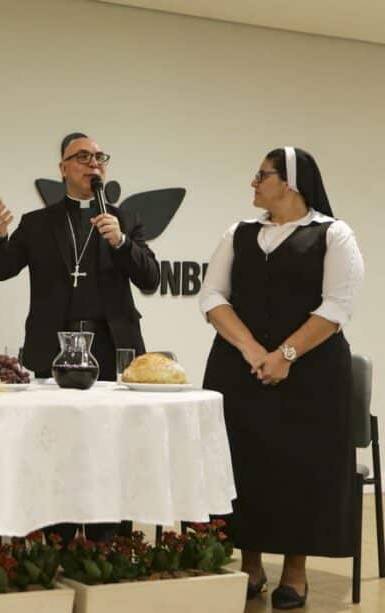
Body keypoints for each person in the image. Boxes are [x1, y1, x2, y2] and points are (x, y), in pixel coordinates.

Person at [199, 147, 364, 610]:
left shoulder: (334, 234)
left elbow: (337, 306)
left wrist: (286, 354)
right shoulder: (239, 233)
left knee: (301, 467)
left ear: (290, 182)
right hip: (240, 366)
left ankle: (295, 571)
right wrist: (254, 350)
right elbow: (212, 294)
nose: (253, 182)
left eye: (262, 175)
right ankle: (249, 565)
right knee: (243, 461)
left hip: (311, 372)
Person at [0, 132, 160, 543]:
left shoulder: (125, 219)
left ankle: (106, 538)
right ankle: (57, 535)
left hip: (110, 348)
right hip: (53, 349)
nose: (92, 163)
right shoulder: (38, 222)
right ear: (63, 169)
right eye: (82, 157)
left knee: (108, 449)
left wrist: (120, 242)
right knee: (56, 448)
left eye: (99, 157)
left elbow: (150, 278)